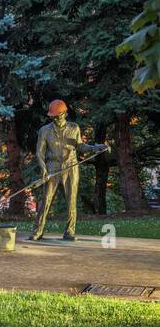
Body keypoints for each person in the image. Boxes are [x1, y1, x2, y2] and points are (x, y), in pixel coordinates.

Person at [32, 100, 107, 241]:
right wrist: (43, 169)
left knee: (71, 200)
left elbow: (80, 146)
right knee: (46, 200)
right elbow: (39, 153)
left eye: (58, 116)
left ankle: (69, 231)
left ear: (65, 114)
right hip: (52, 166)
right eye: (53, 117)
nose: (55, 119)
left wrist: (95, 148)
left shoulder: (74, 128)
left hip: (70, 166)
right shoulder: (44, 131)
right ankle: (38, 231)